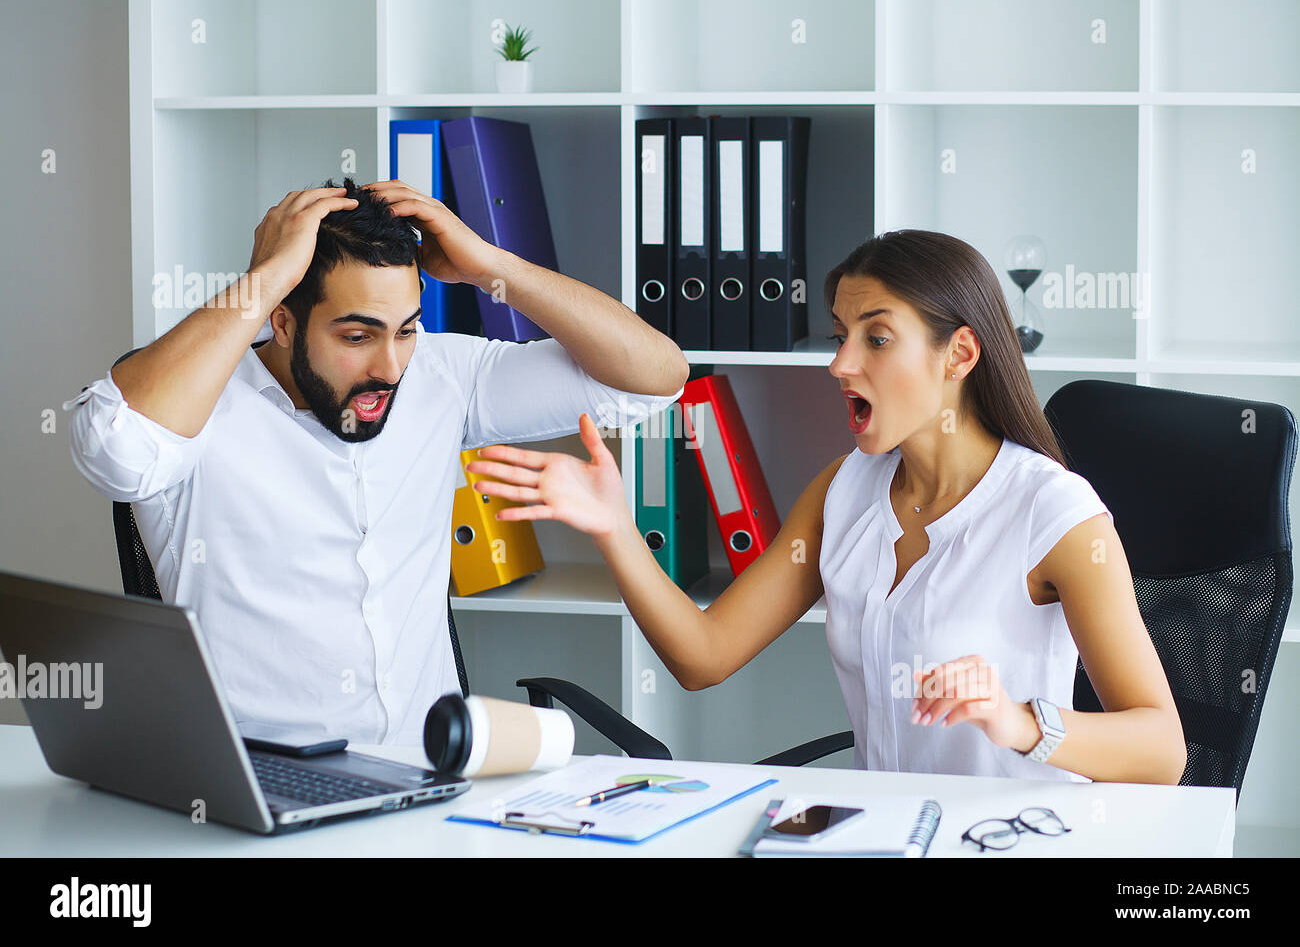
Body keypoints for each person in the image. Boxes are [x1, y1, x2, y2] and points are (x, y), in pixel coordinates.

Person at [466, 229, 1187, 785]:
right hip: (886, 837)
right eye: (841, 338)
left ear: (959, 354)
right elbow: (704, 657)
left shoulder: (1052, 513)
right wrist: (615, 529)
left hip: (1017, 838)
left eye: (876, 338)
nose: (840, 364)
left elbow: (1164, 749)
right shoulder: (845, 490)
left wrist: (1020, 722)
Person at [64, 178, 688, 746]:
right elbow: (116, 455)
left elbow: (653, 380)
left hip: (429, 780)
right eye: (356, 337)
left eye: (407, 330)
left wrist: (489, 266)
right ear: (280, 320)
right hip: (255, 782)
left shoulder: (443, 376)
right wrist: (266, 274)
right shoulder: (192, 407)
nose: (389, 369)